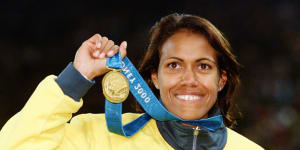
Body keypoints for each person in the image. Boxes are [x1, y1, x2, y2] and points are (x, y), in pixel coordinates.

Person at [0, 13, 263, 150]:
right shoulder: (99, 137)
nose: (189, 80)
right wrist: (76, 77)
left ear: (221, 80)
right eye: (174, 65)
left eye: (203, 66)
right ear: (154, 77)